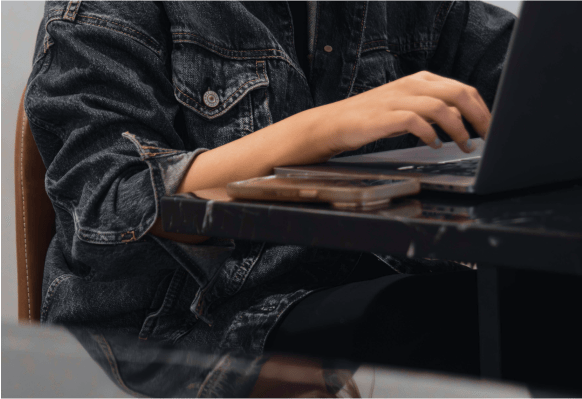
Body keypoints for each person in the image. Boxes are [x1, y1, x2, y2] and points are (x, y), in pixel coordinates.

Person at [25, 0, 515, 396]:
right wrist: (325, 129)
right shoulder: (103, 8)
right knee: (458, 327)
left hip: (349, 272)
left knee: (530, 303)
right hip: (180, 324)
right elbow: (109, 210)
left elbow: (527, 71)